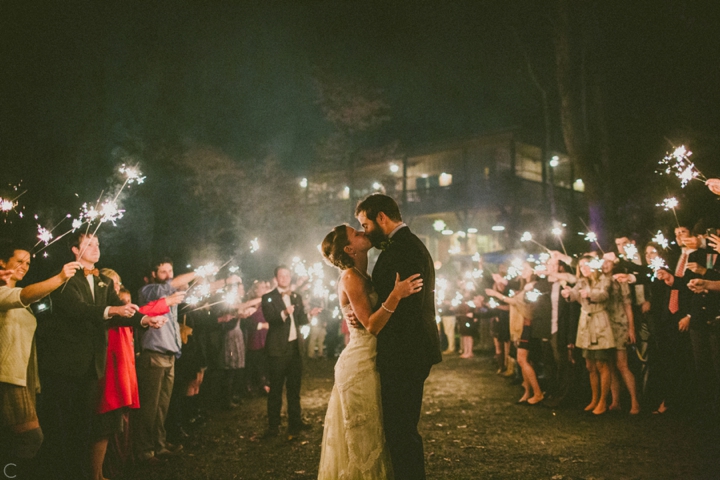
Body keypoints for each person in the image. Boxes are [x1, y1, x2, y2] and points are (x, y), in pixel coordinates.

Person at [37, 232, 165, 480]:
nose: (96, 248)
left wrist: (145, 319)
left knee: (84, 428)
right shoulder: (64, 278)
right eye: (89, 244)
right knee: (63, 430)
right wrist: (112, 310)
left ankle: (84, 474)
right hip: (65, 366)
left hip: (93, 367)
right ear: (75, 250)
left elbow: (124, 309)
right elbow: (77, 310)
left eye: (98, 243)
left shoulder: (104, 281)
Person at [319, 224, 422, 479]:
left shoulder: (364, 275)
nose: (363, 232)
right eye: (357, 232)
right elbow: (372, 325)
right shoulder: (351, 277)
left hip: (374, 360)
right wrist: (396, 295)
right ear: (349, 249)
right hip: (360, 365)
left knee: (377, 432)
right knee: (364, 438)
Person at [355, 193, 442, 480]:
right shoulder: (405, 245)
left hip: (405, 353)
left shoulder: (403, 249)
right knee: (400, 428)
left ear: (381, 218)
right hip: (408, 351)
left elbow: (408, 309)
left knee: (401, 431)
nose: (365, 231)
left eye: (365, 224)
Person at [0, 240, 81, 475]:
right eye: (19, 261)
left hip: (23, 377)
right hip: (7, 378)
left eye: (28, 262)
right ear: (3, 262)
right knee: (31, 438)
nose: (24, 266)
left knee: (11, 439)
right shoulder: (5, 292)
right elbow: (24, 295)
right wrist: (60, 277)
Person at [262, 266, 320, 437]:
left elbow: (301, 319)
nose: (285, 278)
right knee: (276, 390)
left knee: (294, 389)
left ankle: (295, 422)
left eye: (287, 275)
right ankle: (273, 426)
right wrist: (284, 312)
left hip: (295, 349)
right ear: (276, 278)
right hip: (278, 349)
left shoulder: (296, 297)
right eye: (281, 275)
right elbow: (270, 318)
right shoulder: (268, 297)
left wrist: (310, 315)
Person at [562, 256, 614, 415]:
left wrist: (589, 293)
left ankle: (603, 401)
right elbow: (574, 295)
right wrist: (567, 293)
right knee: (589, 365)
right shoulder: (581, 281)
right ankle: (594, 398)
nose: (584, 268)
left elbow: (604, 295)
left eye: (586, 264)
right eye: (581, 265)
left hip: (599, 322)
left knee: (601, 364)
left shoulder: (605, 279)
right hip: (585, 324)